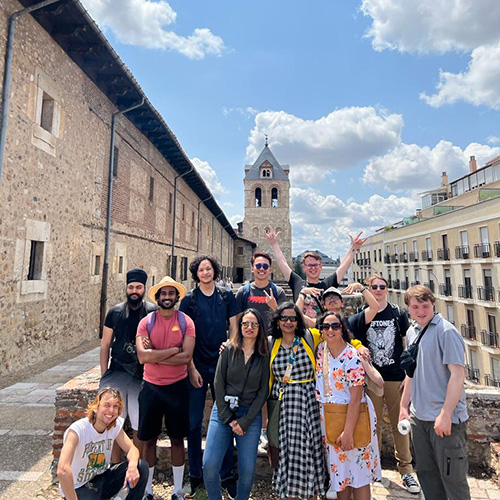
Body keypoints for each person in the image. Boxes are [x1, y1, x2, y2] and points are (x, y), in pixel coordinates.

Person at [347, 274, 420, 494]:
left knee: (401, 424)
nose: (378, 290)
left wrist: (408, 375)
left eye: (382, 286)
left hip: (396, 377)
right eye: (374, 287)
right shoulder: (364, 315)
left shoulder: (397, 313)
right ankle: (374, 468)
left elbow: (407, 346)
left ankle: (406, 470)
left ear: (387, 289)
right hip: (372, 378)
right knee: (373, 425)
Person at [400, 286, 470, 500]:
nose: (421, 311)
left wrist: (446, 414)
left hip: (444, 420)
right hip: (419, 419)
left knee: (453, 481)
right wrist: (404, 407)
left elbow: (457, 376)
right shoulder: (413, 331)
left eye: (425, 306)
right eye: (415, 307)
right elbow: (411, 374)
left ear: (433, 305)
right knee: (427, 476)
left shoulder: (446, 331)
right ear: (409, 309)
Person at [179, 256, 240, 498]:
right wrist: (191, 368)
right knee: (193, 423)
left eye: (209, 268)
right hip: (196, 365)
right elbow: (184, 335)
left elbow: (234, 325)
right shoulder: (189, 300)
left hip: (221, 364)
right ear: (196, 273)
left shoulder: (226, 296)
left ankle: (227, 474)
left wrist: (230, 344)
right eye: (201, 269)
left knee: (225, 419)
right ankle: (195, 474)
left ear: (214, 271)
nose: (205, 272)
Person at [136, 276, 196, 500]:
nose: (167, 297)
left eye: (171, 293)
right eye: (164, 294)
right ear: (158, 297)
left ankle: (178, 490)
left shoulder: (186, 322)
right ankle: (148, 489)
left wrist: (156, 355)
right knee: (148, 439)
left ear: (177, 297)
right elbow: (143, 357)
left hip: (177, 388)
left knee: (178, 439)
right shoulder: (146, 322)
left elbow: (187, 356)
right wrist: (173, 350)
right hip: (151, 388)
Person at [203, 309, 270, 500]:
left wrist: (245, 422)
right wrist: (228, 418)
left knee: (248, 470)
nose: (249, 328)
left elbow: (263, 391)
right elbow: (219, 383)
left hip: (250, 414)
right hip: (223, 411)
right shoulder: (228, 349)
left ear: (260, 328)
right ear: (239, 327)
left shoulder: (264, 354)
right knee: (209, 465)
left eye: (254, 324)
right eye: (245, 324)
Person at [315, 312, 381, 500]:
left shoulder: (352, 355)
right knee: (340, 475)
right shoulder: (321, 350)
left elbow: (356, 396)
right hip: (329, 418)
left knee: (359, 476)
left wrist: (349, 431)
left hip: (353, 417)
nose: (330, 330)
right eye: (326, 326)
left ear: (342, 328)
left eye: (335, 326)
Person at [268, 301, 326, 499]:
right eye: (284, 318)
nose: (288, 322)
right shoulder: (270, 343)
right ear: (277, 321)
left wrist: (359, 347)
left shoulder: (310, 337)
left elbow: (339, 336)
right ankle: (290, 494)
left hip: (308, 402)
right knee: (286, 451)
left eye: (293, 318)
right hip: (284, 406)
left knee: (310, 448)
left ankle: (311, 494)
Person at [99, 267, 157, 458]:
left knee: (140, 423)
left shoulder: (152, 312)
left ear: (144, 288)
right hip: (117, 371)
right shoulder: (114, 312)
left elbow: (159, 341)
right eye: (131, 287)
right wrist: (103, 374)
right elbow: (105, 344)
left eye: (138, 287)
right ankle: (115, 466)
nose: (134, 291)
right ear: (126, 288)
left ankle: (136, 465)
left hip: (142, 374)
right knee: (115, 421)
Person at [57, 387, 148, 500]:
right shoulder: (77, 430)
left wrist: (132, 467)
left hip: (101, 479)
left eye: (115, 406)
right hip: (79, 486)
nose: (111, 411)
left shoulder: (114, 426)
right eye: (107, 405)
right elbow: (62, 470)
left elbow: (132, 450)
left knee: (141, 466)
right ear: (95, 407)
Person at [265, 225, 367, 316]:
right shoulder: (297, 283)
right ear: (304, 267)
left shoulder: (327, 285)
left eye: (315, 265)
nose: (313, 268)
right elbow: (282, 262)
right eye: (310, 265)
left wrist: (353, 248)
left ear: (321, 266)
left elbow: (344, 266)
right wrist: (274, 244)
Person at [235, 251, 287, 334]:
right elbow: (236, 320)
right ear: (252, 268)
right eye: (258, 266)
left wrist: (275, 307)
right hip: (249, 340)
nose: (262, 269)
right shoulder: (243, 292)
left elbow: (285, 320)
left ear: (270, 269)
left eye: (265, 266)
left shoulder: (278, 292)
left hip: (271, 341)